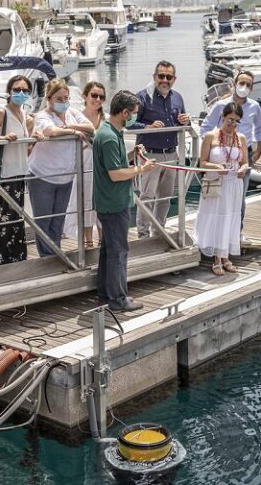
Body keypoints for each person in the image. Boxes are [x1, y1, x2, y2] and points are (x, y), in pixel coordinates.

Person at [93, 90, 156, 312]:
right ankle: (118, 298)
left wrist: (132, 154)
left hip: (112, 201)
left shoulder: (113, 132)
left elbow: (117, 163)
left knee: (109, 250)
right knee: (118, 251)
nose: (135, 118)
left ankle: (105, 294)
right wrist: (141, 169)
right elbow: (115, 174)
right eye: (134, 114)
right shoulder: (109, 137)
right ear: (124, 112)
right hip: (113, 203)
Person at [200, 70, 261, 245]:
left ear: (252, 88)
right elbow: (205, 127)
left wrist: (258, 151)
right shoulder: (221, 105)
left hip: (243, 155)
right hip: (220, 156)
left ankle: (236, 232)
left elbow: (259, 129)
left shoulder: (254, 107)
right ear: (235, 83)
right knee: (216, 197)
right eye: (241, 83)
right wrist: (214, 145)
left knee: (239, 198)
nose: (244, 87)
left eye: (248, 85)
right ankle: (213, 235)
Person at [30, 79, 94, 256]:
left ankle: (56, 254)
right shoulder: (43, 115)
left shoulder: (72, 113)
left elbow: (90, 127)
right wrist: (73, 132)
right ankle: (47, 258)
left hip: (65, 177)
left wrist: (71, 125)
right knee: (43, 221)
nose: (64, 102)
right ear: (49, 99)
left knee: (58, 220)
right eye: (59, 99)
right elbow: (51, 131)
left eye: (66, 98)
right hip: (43, 176)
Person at [0, 75, 44, 265]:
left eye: (25, 91)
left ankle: (18, 256)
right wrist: (1, 138)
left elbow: (25, 148)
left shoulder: (25, 115)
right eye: (17, 89)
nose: (21, 93)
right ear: (9, 91)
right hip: (4, 172)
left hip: (20, 170)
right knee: (4, 217)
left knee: (17, 216)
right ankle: (4, 259)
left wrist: (34, 139)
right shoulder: (1, 113)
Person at [133, 60, 190, 239]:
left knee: (165, 198)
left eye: (169, 77)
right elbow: (128, 123)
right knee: (147, 197)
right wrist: (147, 127)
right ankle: (143, 235)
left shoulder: (178, 97)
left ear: (174, 79)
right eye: (161, 76)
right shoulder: (142, 97)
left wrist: (185, 120)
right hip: (150, 154)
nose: (165, 80)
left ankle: (158, 231)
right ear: (154, 77)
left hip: (172, 153)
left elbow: (182, 121)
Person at [193, 103, 250, 276]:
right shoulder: (211, 136)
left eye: (236, 121)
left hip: (234, 183)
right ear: (223, 117)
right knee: (217, 217)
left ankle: (225, 256)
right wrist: (216, 166)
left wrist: (243, 169)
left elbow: (245, 162)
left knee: (230, 218)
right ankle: (217, 258)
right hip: (217, 182)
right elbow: (202, 162)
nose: (232, 124)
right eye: (230, 119)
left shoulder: (241, 138)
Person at [64, 81, 106, 248]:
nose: (97, 99)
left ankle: (103, 240)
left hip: (102, 166)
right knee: (86, 202)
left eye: (101, 97)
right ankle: (88, 241)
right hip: (84, 164)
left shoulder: (106, 118)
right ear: (85, 97)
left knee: (102, 203)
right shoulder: (75, 117)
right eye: (94, 95)